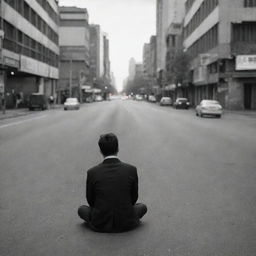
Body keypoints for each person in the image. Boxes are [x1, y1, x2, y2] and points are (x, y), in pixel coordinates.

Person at [78, 133, 147, 233]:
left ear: (101, 151)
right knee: (142, 207)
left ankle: (100, 219)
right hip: (126, 221)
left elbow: (91, 201)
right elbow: (134, 198)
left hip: (100, 222)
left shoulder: (92, 172)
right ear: (117, 148)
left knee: (81, 209)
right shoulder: (131, 169)